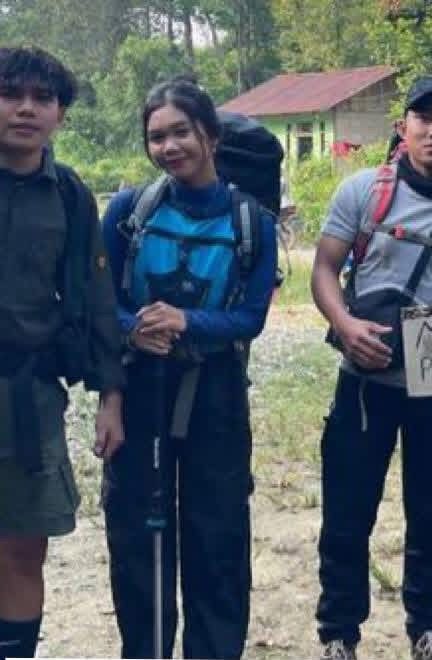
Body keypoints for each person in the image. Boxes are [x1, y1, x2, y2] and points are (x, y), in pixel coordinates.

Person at [311, 76, 432, 660]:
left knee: (431, 515)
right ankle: (339, 635)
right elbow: (324, 270)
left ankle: (428, 628)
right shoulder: (360, 193)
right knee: (346, 513)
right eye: (424, 118)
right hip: (364, 381)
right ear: (404, 126)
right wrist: (346, 326)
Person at [100, 77, 278, 659]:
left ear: (210, 135)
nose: (170, 146)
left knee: (218, 534)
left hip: (216, 394)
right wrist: (133, 329)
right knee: (139, 539)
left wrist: (185, 322)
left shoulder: (252, 223)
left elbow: (250, 317)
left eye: (181, 132)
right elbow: (100, 301)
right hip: (140, 386)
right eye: (157, 136)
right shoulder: (130, 211)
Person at [0, 46, 124, 660]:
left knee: (23, 548)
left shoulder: (70, 196)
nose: (25, 108)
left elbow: (99, 300)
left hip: (27, 396)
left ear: (60, 115)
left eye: (42, 98)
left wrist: (112, 398)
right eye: (10, 94)